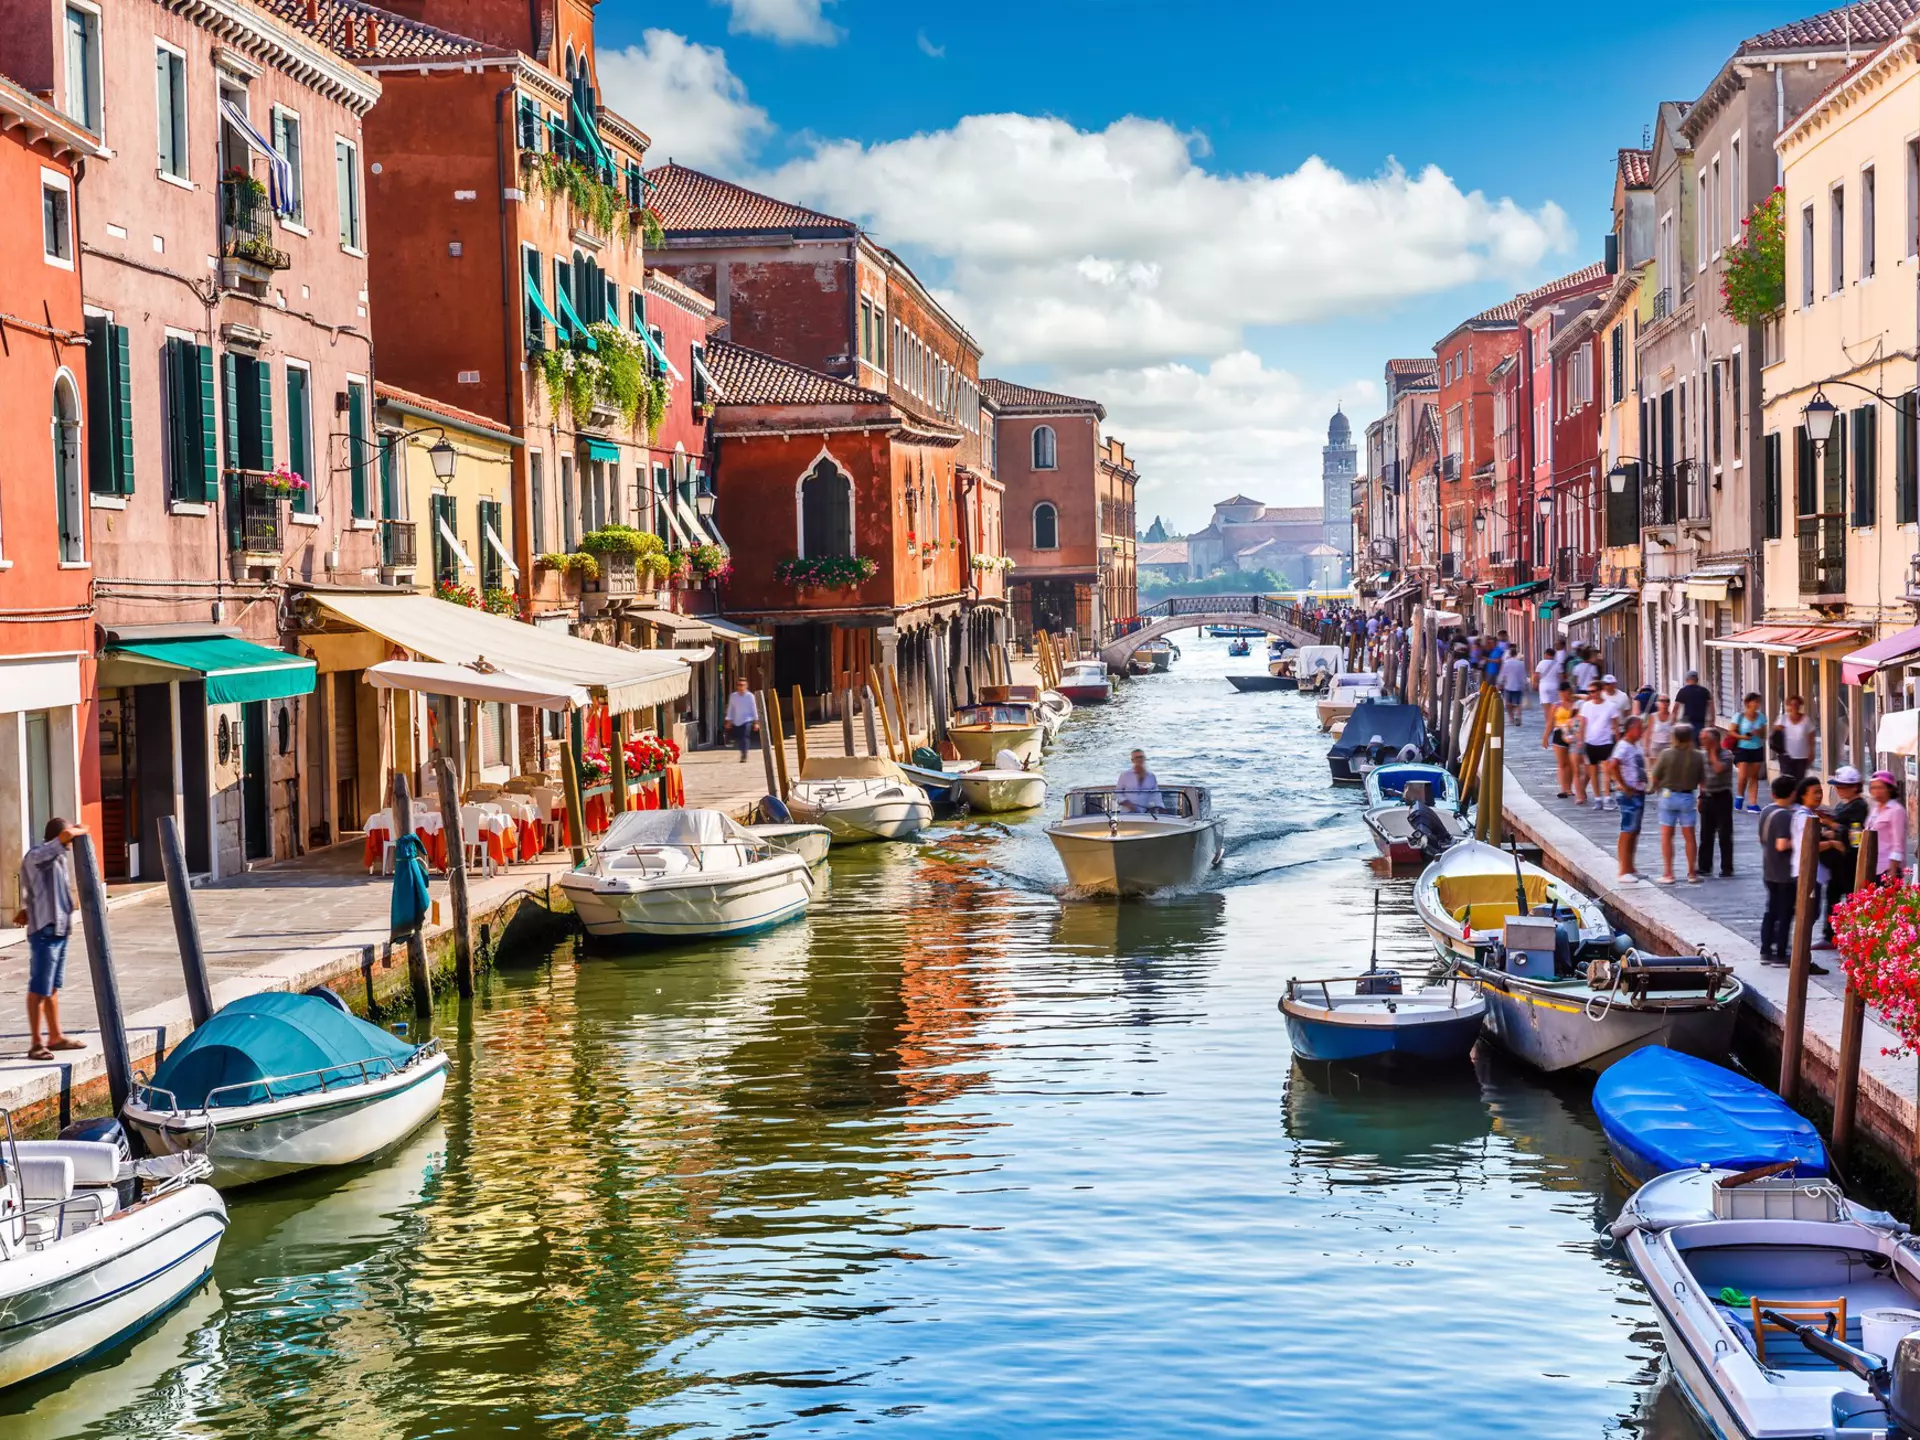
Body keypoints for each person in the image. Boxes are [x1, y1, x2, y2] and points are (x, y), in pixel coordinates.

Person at [14, 818, 88, 1062]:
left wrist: (29, 908)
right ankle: (36, 1043)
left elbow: (40, 892)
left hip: (59, 930)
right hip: (45, 932)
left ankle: (55, 1036)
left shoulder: (57, 859)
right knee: (39, 988)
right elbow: (66, 835)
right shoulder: (38, 855)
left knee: (52, 988)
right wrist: (80, 829)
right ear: (57, 837)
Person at [1818, 766, 1870, 949]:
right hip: (1837, 860)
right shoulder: (1842, 804)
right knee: (1832, 895)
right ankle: (1829, 934)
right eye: (1837, 787)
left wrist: (1832, 825)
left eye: (1843, 787)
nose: (1839, 790)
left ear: (1855, 787)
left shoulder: (1859, 806)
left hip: (1849, 859)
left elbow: (1854, 832)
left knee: (1849, 896)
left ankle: (1852, 934)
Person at [1787, 776, 1832, 975]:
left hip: (1812, 873)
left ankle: (1801, 959)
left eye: (1820, 792)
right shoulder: (1805, 817)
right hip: (1808, 874)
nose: (1819, 796)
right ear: (1803, 795)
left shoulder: (1808, 815)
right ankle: (1802, 960)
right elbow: (1809, 844)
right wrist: (1832, 843)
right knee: (1808, 917)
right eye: (1815, 792)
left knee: (1809, 916)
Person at [1651, 722, 1705, 885]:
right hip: (1688, 797)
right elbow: (1702, 780)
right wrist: (1701, 797)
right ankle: (1691, 873)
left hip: (1668, 795)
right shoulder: (1697, 756)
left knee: (1667, 836)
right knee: (1690, 837)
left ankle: (1668, 873)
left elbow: (1655, 776)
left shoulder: (1666, 754)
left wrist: (1655, 788)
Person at [1758, 776, 1799, 965]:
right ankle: (1781, 953)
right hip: (1784, 872)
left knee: (1771, 911)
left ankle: (1765, 950)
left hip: (1769, 868)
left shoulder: (1767, 810)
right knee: (1784, 914)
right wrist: (1801, 841)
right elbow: (1782, 844)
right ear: (1793, 794)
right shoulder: (1784, 815)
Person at [1608, 715, 1648, 885]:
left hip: (1638, 792)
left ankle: (1631, 867)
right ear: (1631, 729)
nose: (1642, 731)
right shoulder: (1623, 746)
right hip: (1629, 794)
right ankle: (1623, 870)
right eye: (1639, 728)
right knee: (1627, 830)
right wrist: (1623, 785)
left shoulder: (1635, 745)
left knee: (1635, 831)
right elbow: (1612, 765)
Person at [1697, 727, 1736, 878]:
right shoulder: (1701, 756)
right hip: (1707, 796)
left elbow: (1719, 768)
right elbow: (1702, 778)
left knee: (1725, 833)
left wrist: (1712, 752)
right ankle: (1704, 866)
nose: (1702, 742)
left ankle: (1727, 867)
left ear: (1714, 741)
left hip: (1722, 796)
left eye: (1705, 739)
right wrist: (1700, 797)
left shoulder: (1727, 754)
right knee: (1706, 834)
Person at [1576, 681, 1620, 810]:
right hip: (1590, 742)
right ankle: (1597, 798)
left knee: (1606, 771)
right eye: (1589, 692)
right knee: (1592, 772)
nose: (1592, 694)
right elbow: (1582, 724)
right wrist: (1580, 740)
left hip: (1606, 742)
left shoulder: (1611, 706)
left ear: (1601, 691)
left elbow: (1615, 726)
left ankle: (1607, 797)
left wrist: (1618, 743)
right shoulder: (1586, 706)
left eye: (1594, 691)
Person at [1868, 771, 1908, 880]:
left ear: (1889, 789)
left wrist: (1893, 869)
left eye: (1880, 788)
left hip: (1887, 867)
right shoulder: (1875, 809)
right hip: (1873, 864)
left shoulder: (1896, 810)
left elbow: (1897, 843)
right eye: (1873, 788)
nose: (1876, 791)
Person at [1731, 693, 1768, 811]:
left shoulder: (1761, 717)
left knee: (1754, 776)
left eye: (1758, 702)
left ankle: (1752, 803)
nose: (1757, 704)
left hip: (1757, 748)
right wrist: (1743, 737)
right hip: (1742, 748)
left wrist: (1759, 732)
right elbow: (1731, 732)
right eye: (1754, 702)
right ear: (1748, 703)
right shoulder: (1739, 716)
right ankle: (1739, 796)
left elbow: (1764, 734)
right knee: (1742, 776)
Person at [1774, 695, 1816, 783]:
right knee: (1787, 781)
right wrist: (1779, 729)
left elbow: (1811, 737)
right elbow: (1775, 734)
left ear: (1800, 705)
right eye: (1792, 704)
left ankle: (1797, 796)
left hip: (1801, 756)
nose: (1794, 706)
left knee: (1799, 780)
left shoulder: (1806, 720)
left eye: (1796, 704)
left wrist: (1811, 751)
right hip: (1786, 756)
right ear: (1788, 706)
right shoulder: (1783, 719)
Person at [1549, 682, 1578, 799]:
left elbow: (1586, 698)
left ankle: (1569, 788)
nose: (1564, 694)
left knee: (1571, 763)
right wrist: (1545, 736)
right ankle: (1563, 788)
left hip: (1572, 733)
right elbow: (1550, 722)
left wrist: (1575, 696)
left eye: (1567, 692)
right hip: (1559, 733)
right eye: (1561, 692)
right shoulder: (1556, 706)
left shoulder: (1575, 704)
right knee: (1562, 763)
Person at [724, 678, 760, 762]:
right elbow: (731, 709)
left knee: (744, 737)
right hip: (737, 720)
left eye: (742, 685)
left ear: (746, 686)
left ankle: (744, 754)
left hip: (747, 720)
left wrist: (756, 722)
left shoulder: (750, 696)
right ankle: (742, 751)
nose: (741, 687)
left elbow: (754, 709)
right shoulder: (733, 696)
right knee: (739, 738)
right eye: (739, 685)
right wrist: (729, 720)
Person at [1535, 647, 1563, 743]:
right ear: (1554, 655)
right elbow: (1561, 677)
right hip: (1555, 686)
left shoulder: (1541, 663)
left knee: (1546, 709)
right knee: (1555, 707)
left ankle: (1548, 726)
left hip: (1544, 686)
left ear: (1546, 654)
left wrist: (1534, 684)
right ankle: (1554, 725)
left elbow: (1536, 676)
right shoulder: (1557, 664)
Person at [1497, 644, 1528, 724]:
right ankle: (1518, 716)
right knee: (1518, 703)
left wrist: (1500, 683)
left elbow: (1502, 674)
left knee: (1508, 703)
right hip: (1518, 685)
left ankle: (1511, 718)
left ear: (1510, 654)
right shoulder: (1520, 663)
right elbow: (1523, 675)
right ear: (1516, 654)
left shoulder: (1506, 663)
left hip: (1508, 685)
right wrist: (1525, 684)